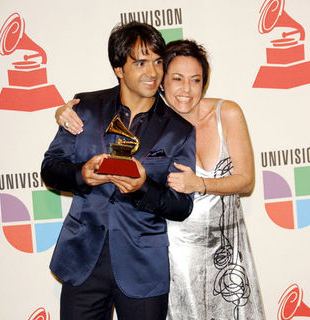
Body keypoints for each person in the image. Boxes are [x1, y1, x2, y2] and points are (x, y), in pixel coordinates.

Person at [56, 39, 265, 320]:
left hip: (221, 244)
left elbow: (246, 181)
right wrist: (63, 114)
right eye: (176, 78)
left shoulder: (225, 113)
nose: (186, 89)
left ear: (205, 83)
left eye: (196, 79)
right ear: (162, 82)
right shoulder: (145, 119)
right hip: (171, 251)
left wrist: (201, 184)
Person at [41, 22, 196, 320]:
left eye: (157, 61)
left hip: (142, 267)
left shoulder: (179, 131)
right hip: (83, 260)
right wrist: (81, 174)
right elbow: (50, 169)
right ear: (119, 69)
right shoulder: (85, 108)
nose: (152, 72)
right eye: (140, 62)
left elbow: (181, 206)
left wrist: (143, 188)